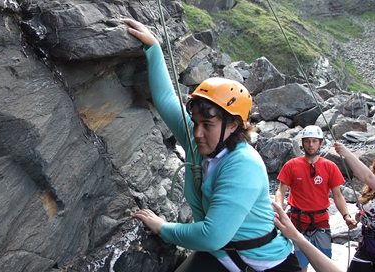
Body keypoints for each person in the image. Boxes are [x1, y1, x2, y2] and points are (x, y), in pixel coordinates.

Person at [123, 18, 300, 272]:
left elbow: (211, 235)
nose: (196, 133)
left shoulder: (243, 165)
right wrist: (154, 47)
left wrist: (162, 227)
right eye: (195, 122)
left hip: (266, 264)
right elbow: (165, 100)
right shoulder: (204, 143)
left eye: (207, 124)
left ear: (233, 126)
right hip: (223, 255)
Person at [275, 125, 357, 272]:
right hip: (297, 222)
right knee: (300, 267)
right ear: (302, 143)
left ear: (320, 143)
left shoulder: (329, 166)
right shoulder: (292, 165)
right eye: (307, 141)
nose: (311, 145)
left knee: (324, 265)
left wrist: (346, 216)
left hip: (321, 222)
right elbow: (281, 190)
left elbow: (337, 195)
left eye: (314, 141)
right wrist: (278, 210)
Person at [334, 142, 375, 272]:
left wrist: (346, 153)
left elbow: (366, 176)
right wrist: (357, 218)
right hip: (366, 246)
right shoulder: (369, 190)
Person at [272, 202, 342, 272]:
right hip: (301, 220)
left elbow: (338, 195)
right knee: (303, 263)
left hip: (316, 221)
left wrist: (296, 236)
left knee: (303, 262)